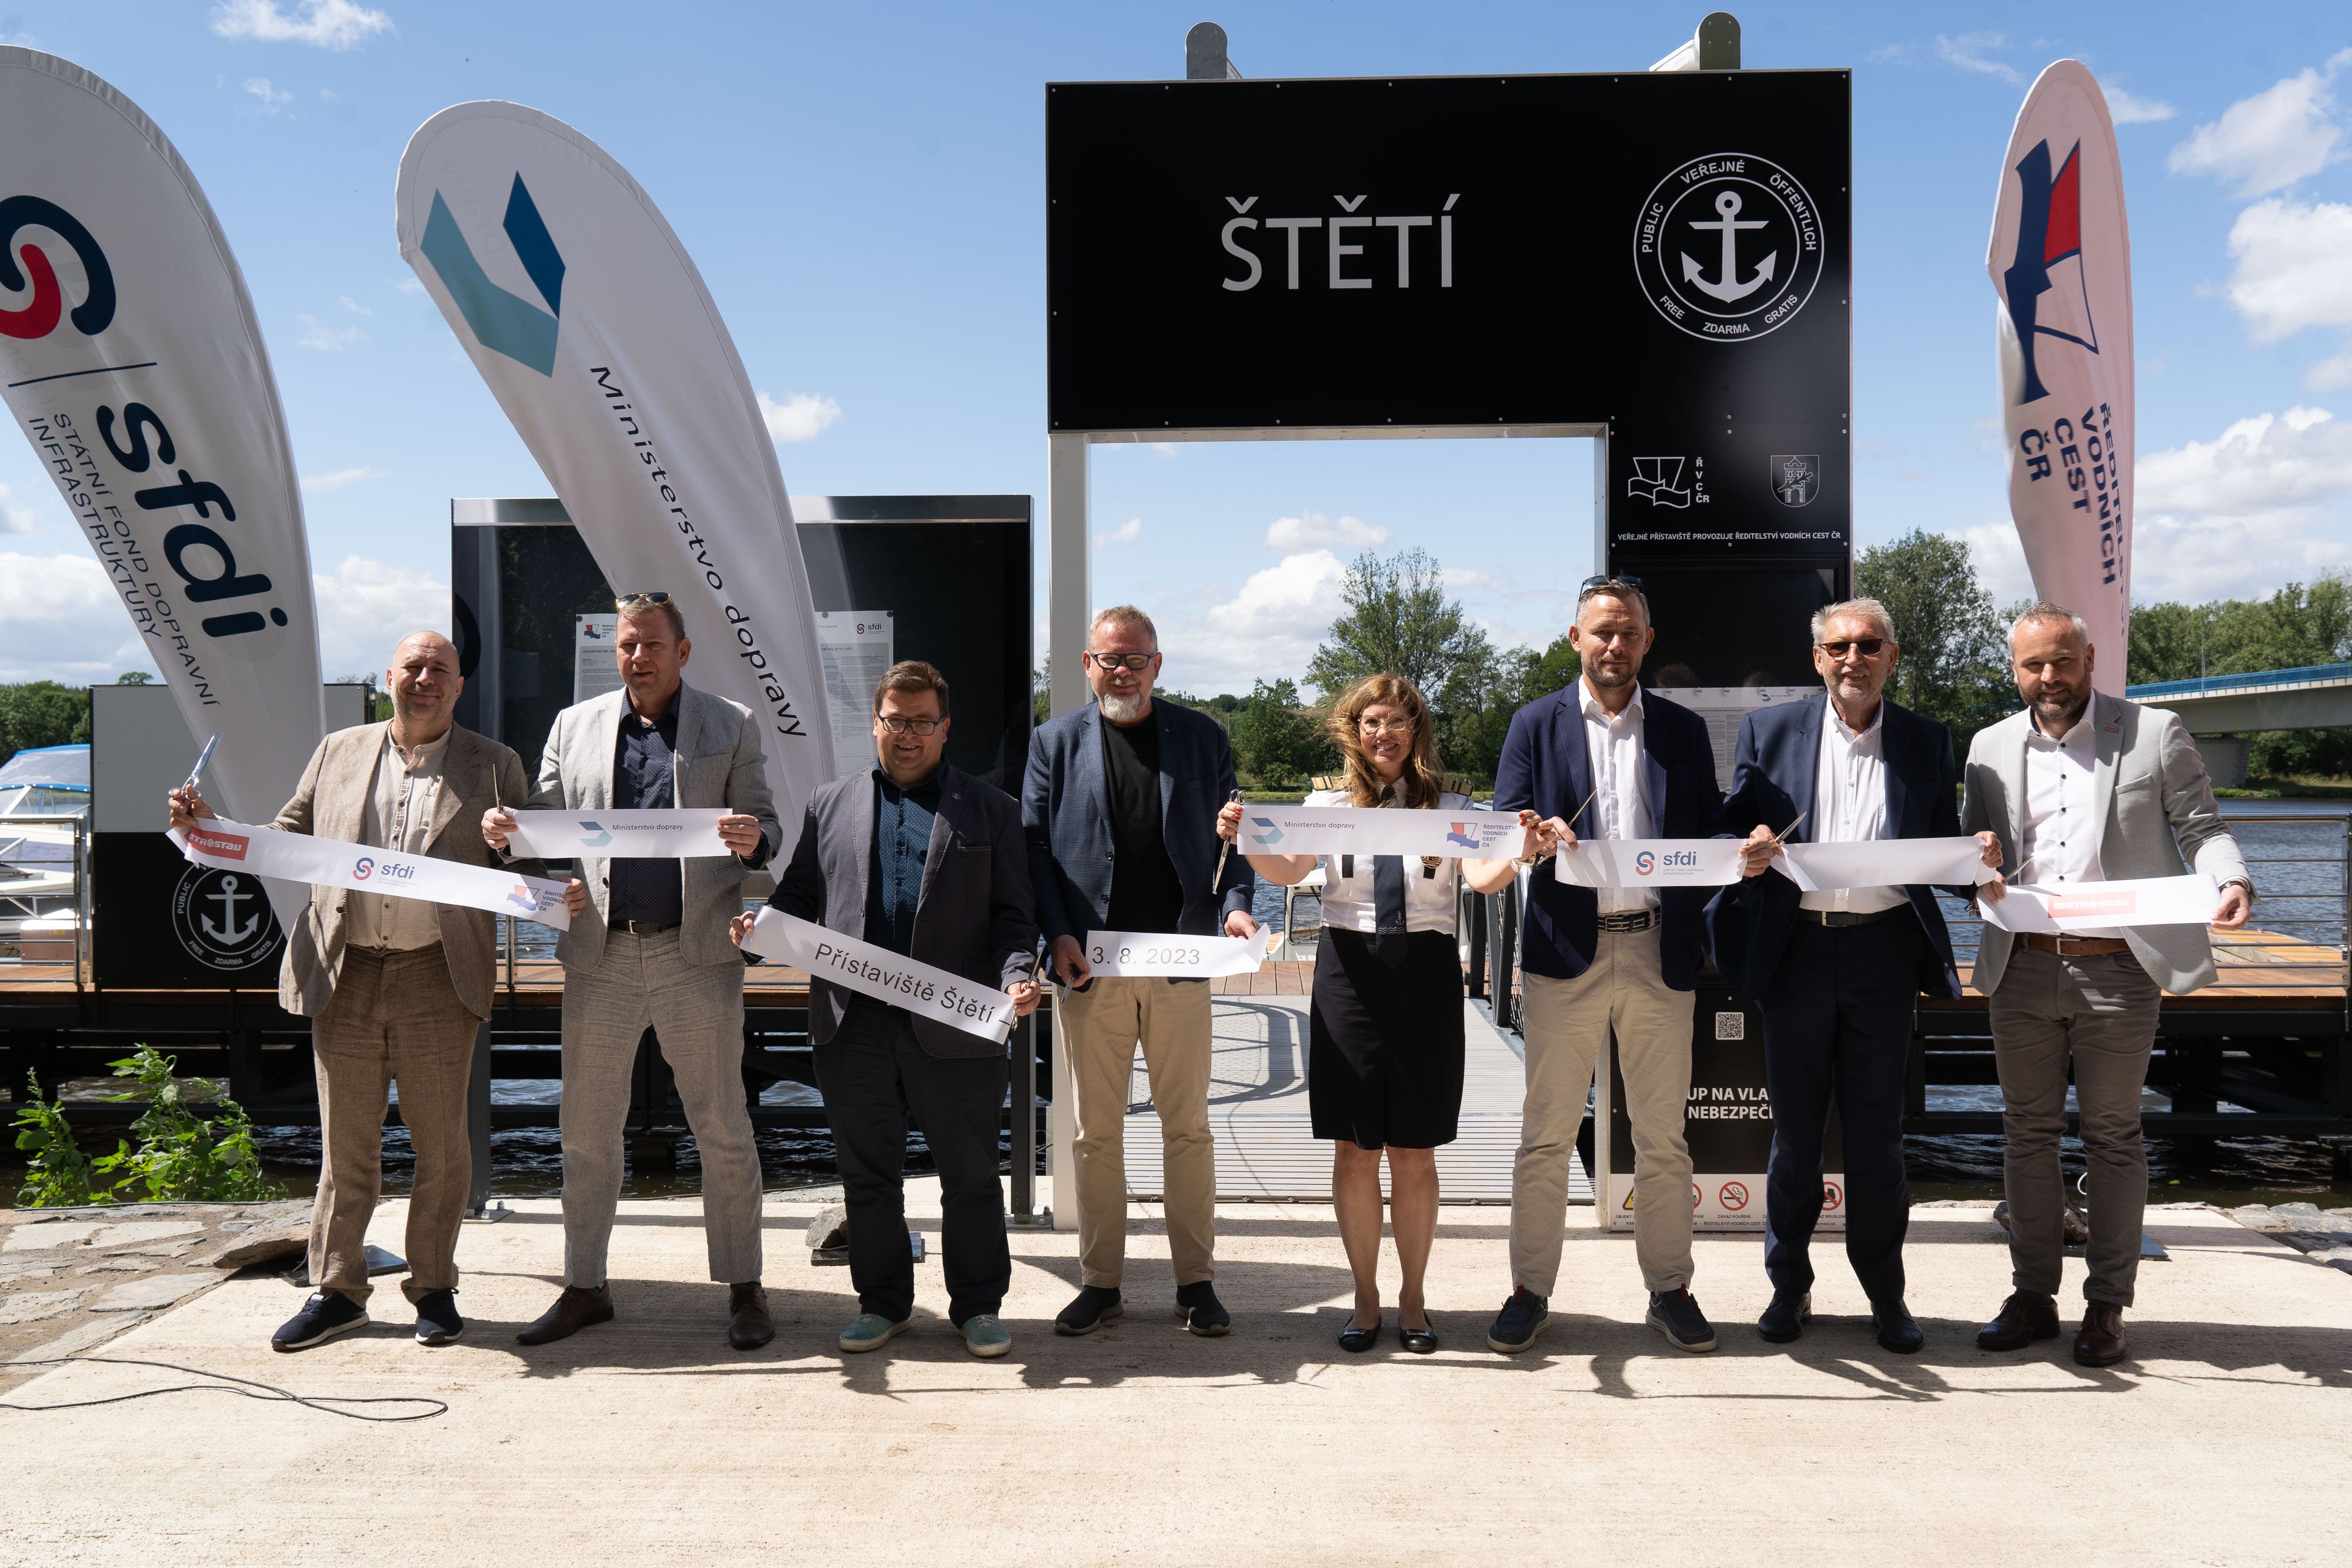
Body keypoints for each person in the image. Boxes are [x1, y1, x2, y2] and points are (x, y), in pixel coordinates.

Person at [169, 631, 536, 1353]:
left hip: (438, 971)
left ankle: (434, 1286)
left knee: (442, 1147)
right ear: (388, 677)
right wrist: (209, 830)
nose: (425, 679)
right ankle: (337, 1292)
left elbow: (524, 865)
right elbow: (286, 836)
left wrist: (513, 845)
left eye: (439, 669)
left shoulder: (495, 765)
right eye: (412, 667)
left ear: (459, 686)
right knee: (346, 1146)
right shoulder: (338, 750)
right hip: (345, 969)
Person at [483, 593, 782, 1352]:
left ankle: (745, 1286)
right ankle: (585, 1285)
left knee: (722, 1126)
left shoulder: (732, 724)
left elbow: (768, 826)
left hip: (697, 954)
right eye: (626, 645)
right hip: (600, 954)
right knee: (585, 1132)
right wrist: (507, 834)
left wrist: (753, 838)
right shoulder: (572, 726)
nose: (638, 657)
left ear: (682, 651)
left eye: (651, 644)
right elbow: (542, 829)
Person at [1709, 599, 2003, 1353]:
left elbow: (1938, 850)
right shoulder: (1769, 732)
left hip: (1883, 954)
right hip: (1797, 951)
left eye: (1869, 646)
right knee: (1794, 1138)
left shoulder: (1926, 740)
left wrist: (1978, 859)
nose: (1853, 659)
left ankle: (1885, 1294)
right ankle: (1788, 1287)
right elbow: (1730, 826)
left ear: (1891, 657)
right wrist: (1748, 844)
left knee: (1878, 1139)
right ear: (1817, 659)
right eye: (1838, 647)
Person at [1964, 602, 2252, 1367]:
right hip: (2020, 965)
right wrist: (1975, 867)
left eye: (2062, 660)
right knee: (2026, 1133)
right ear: (2015, 669)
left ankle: (2107, 1304)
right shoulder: (1988, 747)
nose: (2049, 677)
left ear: (2089, 659)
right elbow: (1973, 857)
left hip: (2120, 968)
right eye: (2033, 664)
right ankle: (2032, 1295)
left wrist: (2231, 879)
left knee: (2113, 1134)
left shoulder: (2153, 733)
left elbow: (2202, 827)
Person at [741, 660, 1041, 1358]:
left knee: (971, 1178)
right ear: (874, 723)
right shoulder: (829, 803)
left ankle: (978, 1308)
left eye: (921, 723)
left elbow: (1013, 917)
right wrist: (759, 932)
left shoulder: (992, 810)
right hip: (853, 1024)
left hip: (957, 1023)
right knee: (867, 1178)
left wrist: (1017, 976)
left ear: (944, 728)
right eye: (895, 721)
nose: (907, 735)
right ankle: (882, 1304)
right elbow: (799, 898)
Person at [1222, 673, 1518, 1354]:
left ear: (1416, 730)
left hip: (1425, 973)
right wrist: (1246, 836)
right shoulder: (1323, 804)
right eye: (1371, 722)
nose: (1384, 734)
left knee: (1413, 1151)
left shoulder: (1452, 806)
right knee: (1355, 1149)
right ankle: (1364, 1298)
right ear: (1354, 732)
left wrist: (1517, 850)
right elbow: (1286, 872)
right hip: (1348, 973)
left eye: (1397, 721)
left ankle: (1413, 1300)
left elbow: (1482, 879)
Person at [1486, 576, 1727, 1356]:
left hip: (1659, 946)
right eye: (1601, 632)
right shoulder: (1534, 723)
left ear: (1647, 641)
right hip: (1566, 951)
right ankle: (1529, 1290)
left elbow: (1708, 834)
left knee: (1663, 1138)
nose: (1614, 645)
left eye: (1628, 632)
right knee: (1546, 1136)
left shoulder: (1683, 730)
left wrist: (1743, 849)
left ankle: (1670, 1287)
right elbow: (1504, 829)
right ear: (1575, 639)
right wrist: (1531, 836)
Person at [1024, 606, 1257, 1338]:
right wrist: (1057, 935)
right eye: (1109, 659)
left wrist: (1237, 908)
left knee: (1187, 1130)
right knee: (1095, 1134)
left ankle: (1196, 1283)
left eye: (1134, 659)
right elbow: (1033, 850)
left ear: (1157, 665)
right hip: (1089, 965)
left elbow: (1236, 837)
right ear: (1087, 665)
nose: (1121, 672)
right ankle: (1100, 1283)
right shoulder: (1054, 741)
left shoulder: (1202, 737)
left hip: (1181, 960)